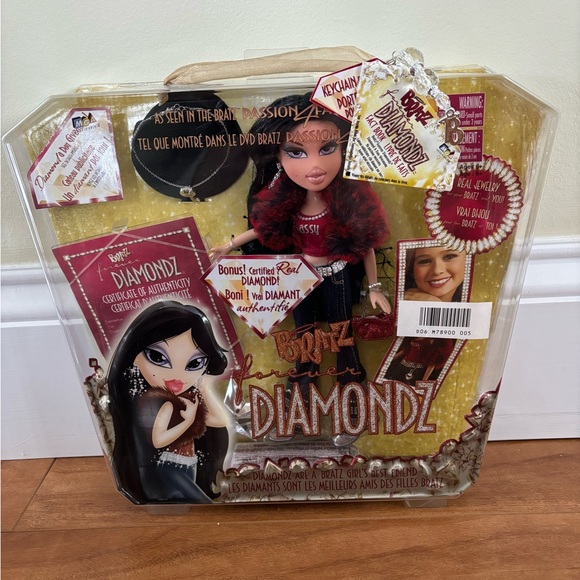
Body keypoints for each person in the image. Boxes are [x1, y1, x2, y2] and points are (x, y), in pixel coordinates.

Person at [210, 93, 390, 446]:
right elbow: (262, 228)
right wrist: (229, 245)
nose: (314, 165)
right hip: (300, 278)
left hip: (337, 277)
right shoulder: (285, 202)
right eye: (296, 152)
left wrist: (374, 288)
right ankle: (298, 416)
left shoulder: (345, 200)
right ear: (277, 156)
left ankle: (351, 412)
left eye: (327, 148)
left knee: (343, 340)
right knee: (304, 344)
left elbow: (365, 243)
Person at [107, 300, 229, 504]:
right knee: (203, 508)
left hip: (186, 468)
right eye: (157, 357)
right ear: (134, 356)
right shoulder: (155, 402)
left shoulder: (185, 399)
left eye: (195, 363)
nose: (177, 374)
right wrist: (187, 421)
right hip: (167, 471)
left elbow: (218, 421)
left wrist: (204, 386)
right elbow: (159, 440)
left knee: (199, 508)